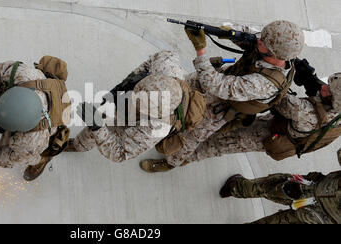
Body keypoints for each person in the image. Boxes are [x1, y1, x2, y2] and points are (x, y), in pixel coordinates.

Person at [140, 20, 305, 172]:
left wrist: (200, 49)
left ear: (275, 54)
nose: (259, 40)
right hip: (225, 78)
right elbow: (247, 35)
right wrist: (226, 32)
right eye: (261, 36)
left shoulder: (265, 84)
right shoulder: (272, 42)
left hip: (220, 107)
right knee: (176, 88)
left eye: (263, 41)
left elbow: (214, 85)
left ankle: (171, 162)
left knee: (188, 136)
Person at [67, 51, 207, 164]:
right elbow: (155, 59)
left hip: (135, 119)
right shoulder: (166, 66)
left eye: (139, 104)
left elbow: (120, 153)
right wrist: (127, 83)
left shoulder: (156, 127)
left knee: (100, 125)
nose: (134, 101)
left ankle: (79, 145)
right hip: (142, 101)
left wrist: (97, 127)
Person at [179, 72, 341, 164]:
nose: (323, 87)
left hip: (273, 135)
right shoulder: (337, 110)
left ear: (333, 101)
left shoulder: (304, 111)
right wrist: (309, 78)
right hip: (285, 124)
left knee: (225, 144)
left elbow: (274, 96)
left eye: (328, 91)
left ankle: (183, 158)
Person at [0, 56, 71, 181]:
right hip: (32, 93)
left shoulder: (33, 139)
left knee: (37, 152)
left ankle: (44, 158)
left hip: (49, 127)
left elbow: (12, 158)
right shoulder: (23, 75)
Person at [220, 170, 341, 224]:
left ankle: (235, 188)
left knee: (271, 186)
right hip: (320, 219)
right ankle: (235, 188)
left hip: (315, 189)